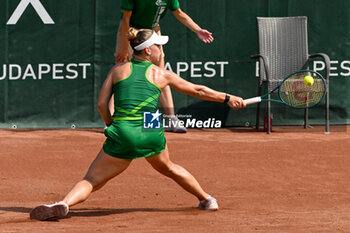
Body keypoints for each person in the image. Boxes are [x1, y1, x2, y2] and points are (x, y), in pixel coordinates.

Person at [30, 29, 245, 221]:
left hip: (123, 131)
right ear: (148, 51)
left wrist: (111, 125)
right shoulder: (161, 74)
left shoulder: (118, 70)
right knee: (169, 167)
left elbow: (101, 104)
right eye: (158, 45)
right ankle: (207, 200)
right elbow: (199, 90)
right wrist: (228, 98)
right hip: (150, 128)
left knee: (92, 180)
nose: (161, 49)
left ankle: (64, 204)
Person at [112, 0, 214, 133]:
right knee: (121, 75)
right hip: (130, 29)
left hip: (153, 30)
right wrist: (125, 47)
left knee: (160, 74)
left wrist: (198, 30)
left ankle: (171, 118)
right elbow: (126, 18)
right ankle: (113, 120)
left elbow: (179, 13)